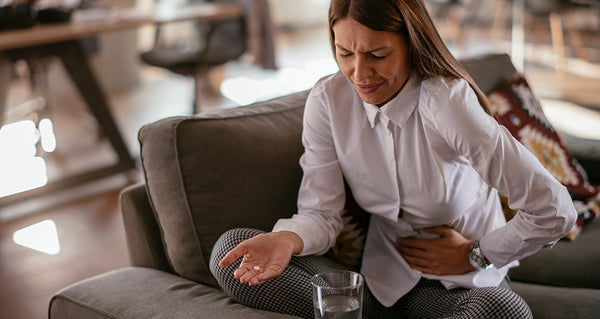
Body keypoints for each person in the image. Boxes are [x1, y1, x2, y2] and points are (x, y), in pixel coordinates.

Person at [210, 0, 577, 318]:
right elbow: (321, 215)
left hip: (460, 286)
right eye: (345, 53)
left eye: (377, 55)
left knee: (504, 312)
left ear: (412, 44)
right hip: (376, 285)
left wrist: (476, 254)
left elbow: (555, 209)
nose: (359, 73)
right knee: (231, 252)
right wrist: (286, 240)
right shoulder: (328, 101)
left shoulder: (448, 104)